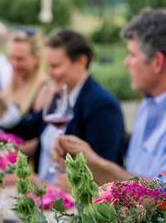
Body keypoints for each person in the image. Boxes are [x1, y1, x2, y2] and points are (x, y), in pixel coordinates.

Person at [52, 9, 166, 184]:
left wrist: (94, 162)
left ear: (157, 62)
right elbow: (133, 174)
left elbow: (160, 194)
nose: (126, 62)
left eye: (132, 54)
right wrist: (85, 163)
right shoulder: (147, 103)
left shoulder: (103, 103)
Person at [8, 30, 126, 183]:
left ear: (81, 62)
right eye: (48, 66)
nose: (49, 73)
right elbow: (28, 130)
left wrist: (39, 184)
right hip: (43, 194)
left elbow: (105, 172)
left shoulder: (102, 105)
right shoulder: (60, 95)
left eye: (55, 66)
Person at [0, 29, 45, 129]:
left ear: (37, 59)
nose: (14, 64)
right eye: (11, 58)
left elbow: (33, 130)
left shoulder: (44, 87)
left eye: (20, 59)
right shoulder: (13, 82)